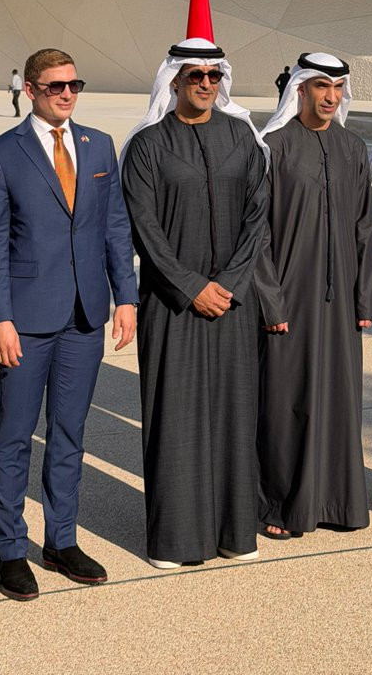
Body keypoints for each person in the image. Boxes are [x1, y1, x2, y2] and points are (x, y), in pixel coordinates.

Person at [0, 48, 137, 601]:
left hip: (85, 316)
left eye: (74, 85)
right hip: (26, 318)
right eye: (55, 86)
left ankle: (61, 541)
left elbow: (115, 227)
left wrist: (126, 297)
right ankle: (10, 549)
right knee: (15, 436)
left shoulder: (99, 145)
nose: (67, 94)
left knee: (69, 434)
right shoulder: (1, 154)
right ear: (30, 90)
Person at [121, 38, 268, 569]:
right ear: (175, 81)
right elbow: (144, 228)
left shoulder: (241, 137)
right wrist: (190, 287)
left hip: (232, 301)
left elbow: (258, 217)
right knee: (175, 417)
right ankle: (177, 540)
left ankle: (235, 533)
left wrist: (228, 282)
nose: (205, 83)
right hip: (171, 305)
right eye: (195, 75)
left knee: (234, 415)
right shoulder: (148, 145)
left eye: (213, 75)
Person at [256, 53, 372, 539]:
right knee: (286, 402)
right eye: (322, 86)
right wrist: (271, 300)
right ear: (300, 89)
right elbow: (258, 235)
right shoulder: (274, 146)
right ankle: (281, 506)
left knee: (339, 401)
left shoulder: (352, 147)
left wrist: (364, 299)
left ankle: (337, 503)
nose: (331, 96)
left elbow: (365, 227)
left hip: (341, 301)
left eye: (338, 87)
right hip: (289, 298)